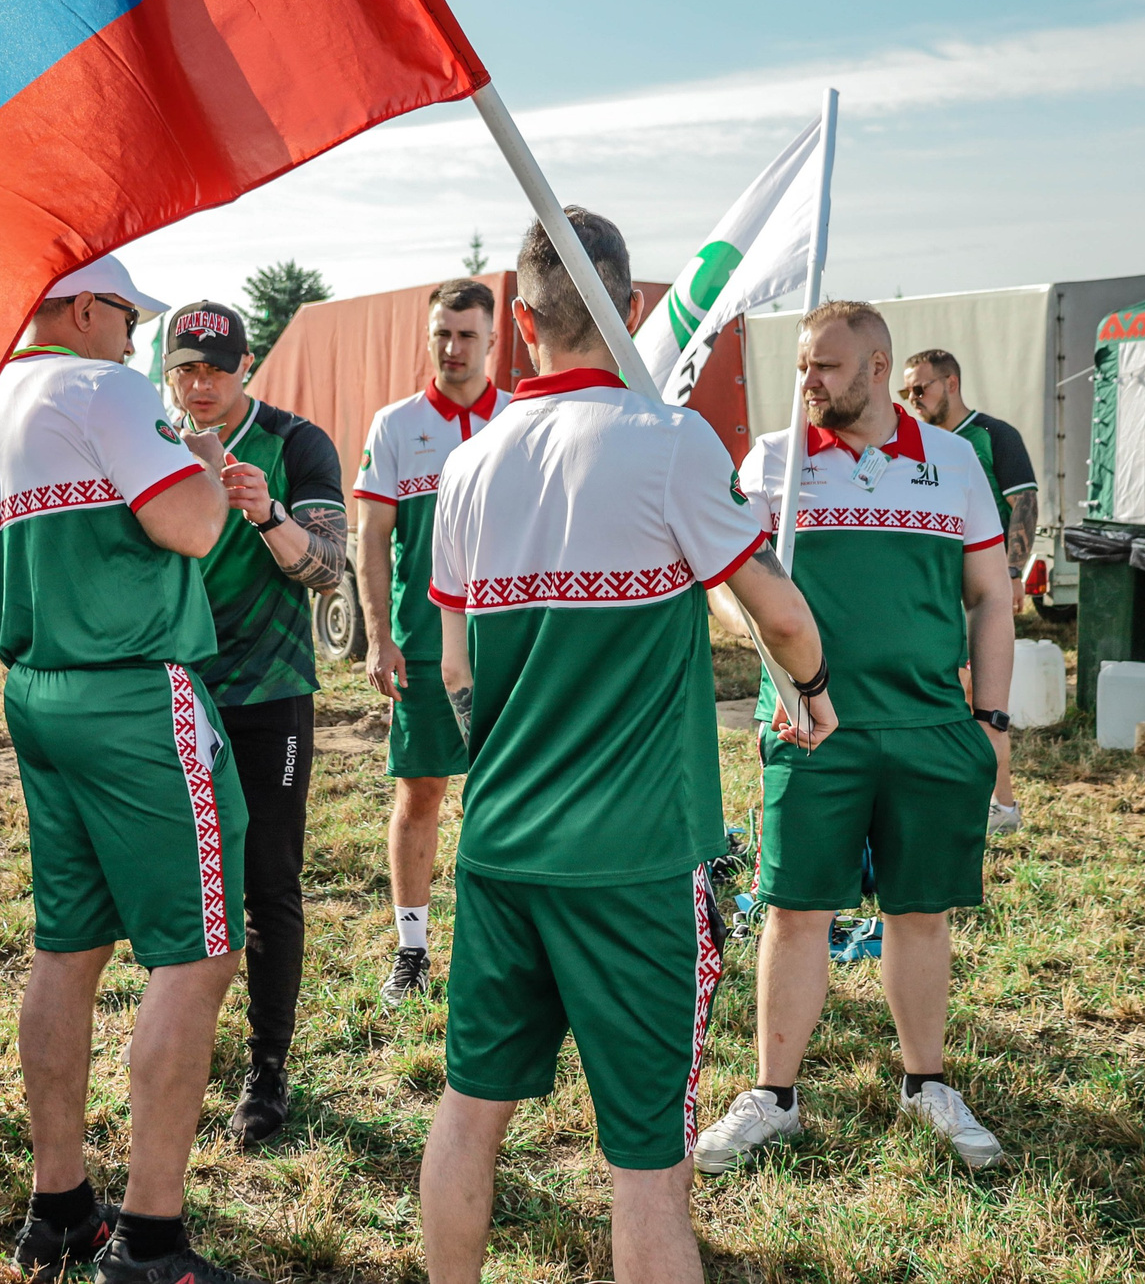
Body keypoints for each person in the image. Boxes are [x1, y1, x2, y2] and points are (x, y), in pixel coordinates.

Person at [418, 208, 838, 1284]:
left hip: (502, 848)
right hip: (638, 864)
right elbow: (780, 615)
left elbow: (457, 672)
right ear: (634, 308)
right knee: (647, 1168)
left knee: (469, 1112)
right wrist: (812, 689)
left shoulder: (468, 464)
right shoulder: (669, 442)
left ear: (520, 322)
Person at [0, 256, 267, 1284]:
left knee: (67, 944)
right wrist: (204, 467)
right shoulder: (105, 389)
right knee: (199, 954)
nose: (137, 344)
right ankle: (150, 1238)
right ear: (86, 307)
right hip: (133, 689)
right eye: (130, 320)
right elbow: (193, 525)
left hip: (39, 688)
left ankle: (59, 1207)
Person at [695, 303, 1015, 1178]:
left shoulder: (952, 461)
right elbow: (724, 580)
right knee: (796, 909)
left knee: (920, 911)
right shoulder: (774, 459)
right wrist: (766, 638)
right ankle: (774, 1096)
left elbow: (992, 594)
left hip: (929, 727)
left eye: (826, 366)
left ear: (878, 368)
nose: (808, 381)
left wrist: (991, 720)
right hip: (811, 728)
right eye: (803, 364)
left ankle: (927, 1083)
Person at [160, 298, 349, 1147]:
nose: (200, 385)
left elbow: (329, 569)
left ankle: (267, 1066)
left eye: (215, 368)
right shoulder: (152, 444)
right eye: (185, 369)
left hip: (270, 693)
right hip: (178, 692)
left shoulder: (295, 441)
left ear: (245, 366)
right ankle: (179, 1046)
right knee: (184, 884)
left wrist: (269, 514)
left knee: (269, 881)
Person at [350, 277, 508, 1001]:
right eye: (442, 333)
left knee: (509, 793)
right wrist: (378, 636)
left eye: (467, 334)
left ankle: (499, 944)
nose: (453, 347)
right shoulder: (396, 425)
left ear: (493, 339)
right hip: (420, 644)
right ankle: (412, 950)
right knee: (422, 793)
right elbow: (371, 539)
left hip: (511, 644)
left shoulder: (520, 418)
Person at [901, 346, 1037, 831]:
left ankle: (1000, 805)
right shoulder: (913, 442)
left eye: (921, 388)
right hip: (932, 590)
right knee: (947, 695)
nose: (913, 399)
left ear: (951, 383)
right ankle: (974, 801)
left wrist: (1013, 573)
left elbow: (1024, 505)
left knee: (980, 698)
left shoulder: (993, 436)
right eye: (906, 391)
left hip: (981, 590)